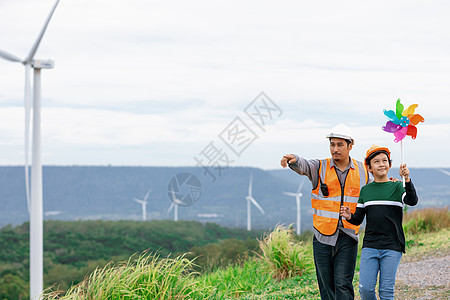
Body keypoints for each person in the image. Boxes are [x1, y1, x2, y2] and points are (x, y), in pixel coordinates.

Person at [281, 124, 369, 300]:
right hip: (322, 237)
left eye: (339, 145)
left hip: (348, 236)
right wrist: (294, 159)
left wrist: (393, 183)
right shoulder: (319, 167)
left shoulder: (362, 171)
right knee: (326, 288)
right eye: (332, 145)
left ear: (350, 145)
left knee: (343, 284)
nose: (335, 149)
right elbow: (303, 165)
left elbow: (378, 186)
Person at [340, 145, 418, 300]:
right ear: (369, 167)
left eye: (385, 160)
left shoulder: (397, 186)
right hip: (370, 246)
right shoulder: (366, 191)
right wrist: (349, 216)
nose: (382, 164)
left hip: (392, 246)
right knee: (365, 290)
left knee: (386, 292)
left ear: (389, 164)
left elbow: (412, 200)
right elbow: (358, 220)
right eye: (376, 162)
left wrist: (407, 180)